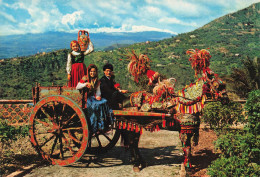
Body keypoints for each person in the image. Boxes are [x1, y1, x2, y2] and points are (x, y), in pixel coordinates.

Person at [76, 64, 113, 133]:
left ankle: (104, 124)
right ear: (89, 72)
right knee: (94, 107)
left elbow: (98, 91)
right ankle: (94, 127)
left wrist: (98, 96)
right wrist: (85, 84)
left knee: (104, 101)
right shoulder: (85, 78)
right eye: (91, 71)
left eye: (94, 71)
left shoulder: (97, 81)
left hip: (93, 97)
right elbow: (77, 86)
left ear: (96, 72)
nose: (92, 73)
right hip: (86, 98)